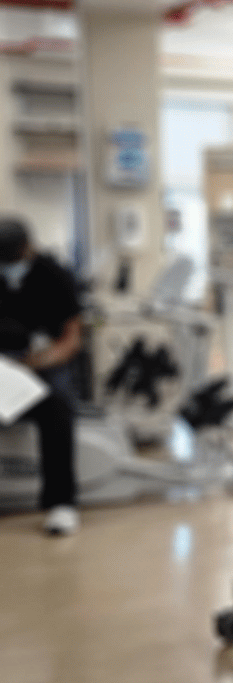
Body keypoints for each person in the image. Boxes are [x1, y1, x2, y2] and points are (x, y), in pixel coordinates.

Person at [0, 217, 85, 536]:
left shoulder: (55, 276)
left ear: (27, 249)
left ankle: (61, 504)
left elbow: (72, 339)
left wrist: (38, 362)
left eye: (11, 260)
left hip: (40, 362)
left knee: (58, 408)